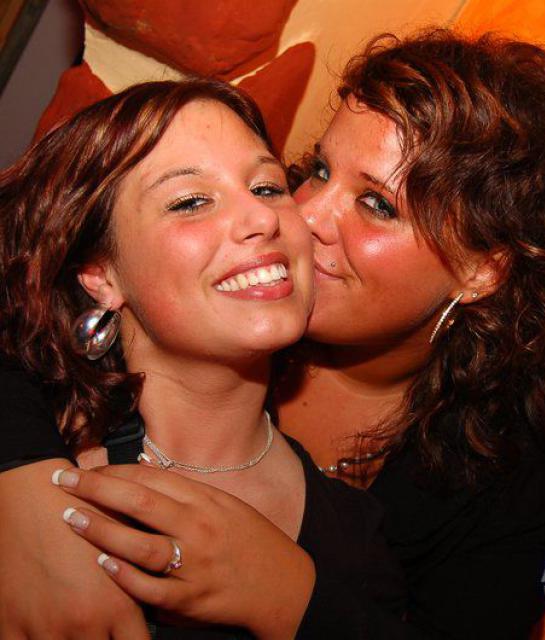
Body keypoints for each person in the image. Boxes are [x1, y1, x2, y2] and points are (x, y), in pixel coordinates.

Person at [1, 28, 545, 639]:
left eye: (378, 205)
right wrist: (24, 483)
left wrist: (289, 595)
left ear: (481, 269)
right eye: (319, 171)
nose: (301, 216)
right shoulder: (197, 296)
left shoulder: (525, 456)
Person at [0, 78, 404, 639]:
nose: (261, 219)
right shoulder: (28, 441)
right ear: (100, 274)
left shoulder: (355, 545)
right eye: (191, 201)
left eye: (267, 187)